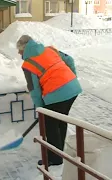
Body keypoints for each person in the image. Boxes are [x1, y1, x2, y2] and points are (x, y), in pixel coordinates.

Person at [16, 35, 82, 166]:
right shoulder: (50, 50)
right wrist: (72, 78)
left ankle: (54, 158)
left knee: (50, 125)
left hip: (57, 94)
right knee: (61, 121)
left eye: (19, 50)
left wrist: (41, 109)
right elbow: (70, 60)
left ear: (24, 49)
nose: (18, 53)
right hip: (73, 89)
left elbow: (34, 90)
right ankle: (59, 153)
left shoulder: (28, 64)